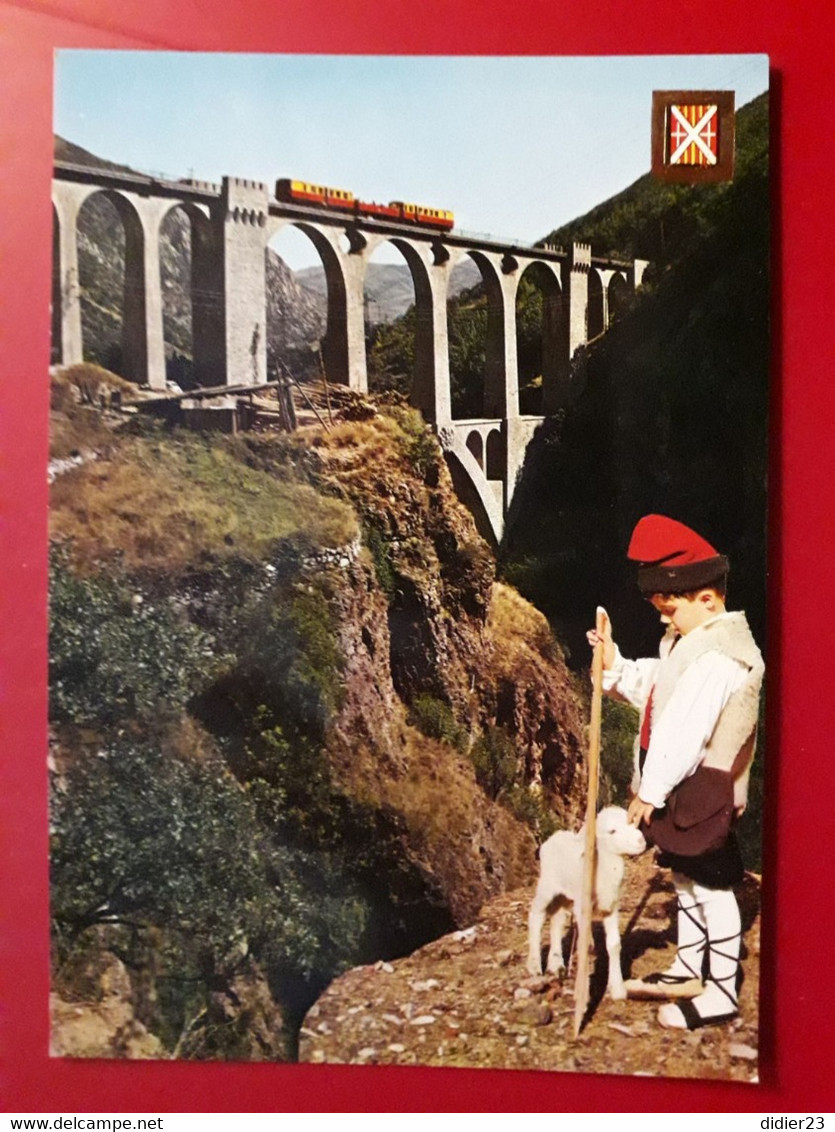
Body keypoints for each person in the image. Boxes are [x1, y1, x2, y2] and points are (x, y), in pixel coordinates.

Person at [587, 514, 765, 1030]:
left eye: (672, 610)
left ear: (707, 599)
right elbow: (657, 693)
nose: (666, 621)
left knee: (712, 885)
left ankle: (721, 990)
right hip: (685, 788)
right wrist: (616, 667)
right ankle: (690, 964)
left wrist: (651, 788)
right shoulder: (692, 644)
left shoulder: (721, 658)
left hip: (702, 788)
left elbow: (684, 729)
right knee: (686, 876)